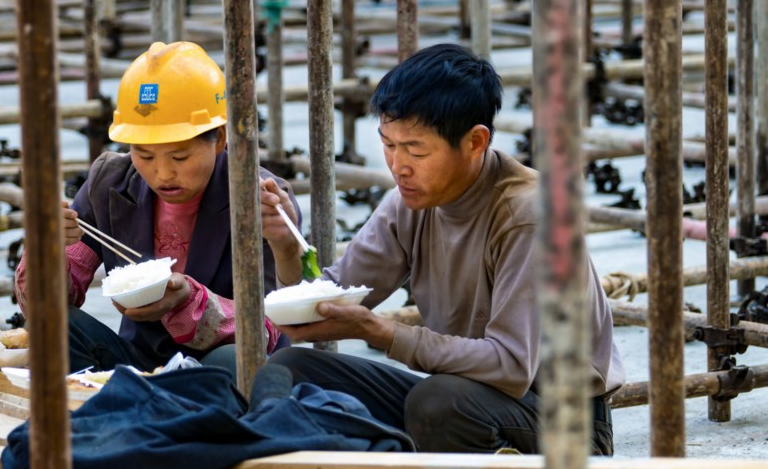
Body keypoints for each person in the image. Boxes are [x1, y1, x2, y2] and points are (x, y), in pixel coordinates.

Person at [261, 43, 624, 454]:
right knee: (289, 371)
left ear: (475, 142)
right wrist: (285, 242)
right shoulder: (410, 202)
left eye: (416, 150)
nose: (398, 166)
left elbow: (510, 365)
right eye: (389, 145)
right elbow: (327, 297)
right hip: (465, 396)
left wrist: (384, 333)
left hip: (564, 421)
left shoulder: (529, 215)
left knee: (438, 402)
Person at [15, 41, 302, 376]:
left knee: (237, 362)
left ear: (220, 138)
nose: (162, 174)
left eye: (180, 157)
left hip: (221, 364)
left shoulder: (261, 198)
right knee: (51, 322)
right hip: (136, 361)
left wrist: (190, 302)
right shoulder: (110, 183)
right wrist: (48, 248)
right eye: (145, 155)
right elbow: (47, 297)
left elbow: (272, 324)